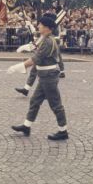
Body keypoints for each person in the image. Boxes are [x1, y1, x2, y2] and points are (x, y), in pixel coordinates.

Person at [9, 13, 68, 141]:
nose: (38, 26)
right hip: (44, 77)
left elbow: (36, 59)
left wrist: (19, 66)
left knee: (56, 105)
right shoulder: (45, 38)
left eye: (40, 25)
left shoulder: (48, 41)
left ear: (47, 28)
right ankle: (27, 126)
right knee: (34, 101)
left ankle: (63, 131)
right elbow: (36, 46)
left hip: (49, 77)